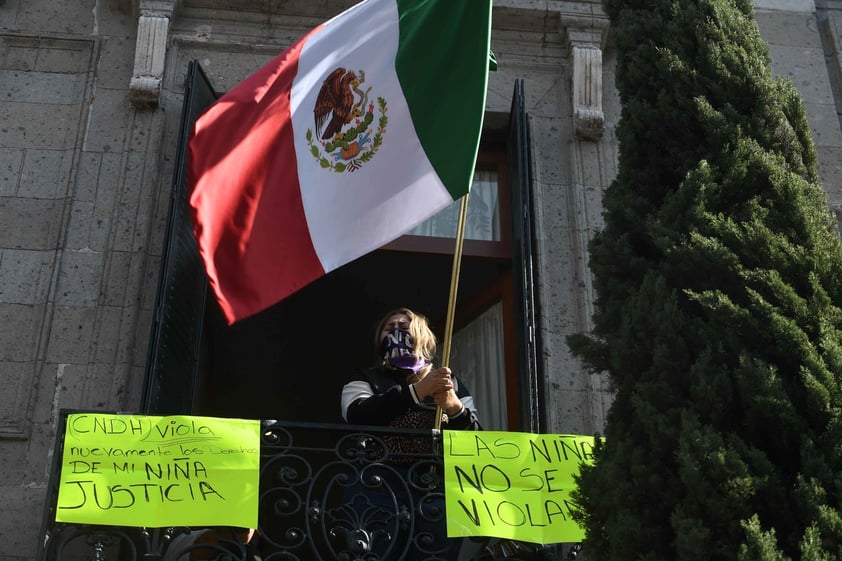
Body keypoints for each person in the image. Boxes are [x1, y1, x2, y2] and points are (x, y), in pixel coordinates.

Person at [341, 307, 480, 433]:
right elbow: (355, 415)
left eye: (403, 327)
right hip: (383, 460)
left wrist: (455, 407)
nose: (396, 331)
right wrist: (417, 391)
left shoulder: (449, 381)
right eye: (389, 329)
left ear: (422, 336)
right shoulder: (366, 376)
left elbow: (476, 438)